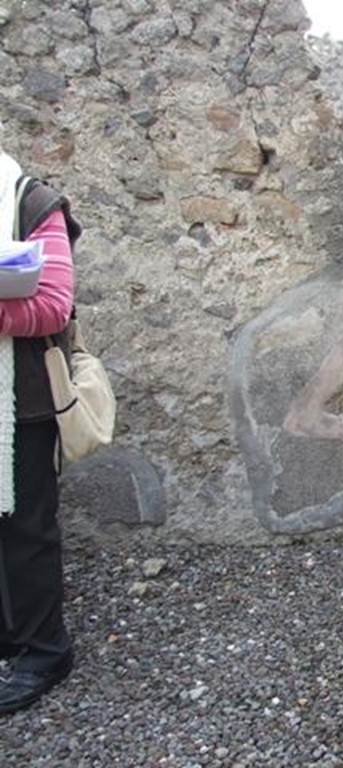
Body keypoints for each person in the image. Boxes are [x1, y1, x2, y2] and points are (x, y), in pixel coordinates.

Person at [0, 144, 80, 714]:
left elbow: (53, 306)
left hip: (21, 398)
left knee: (26, 529)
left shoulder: (32, 203)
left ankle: (44, 651)